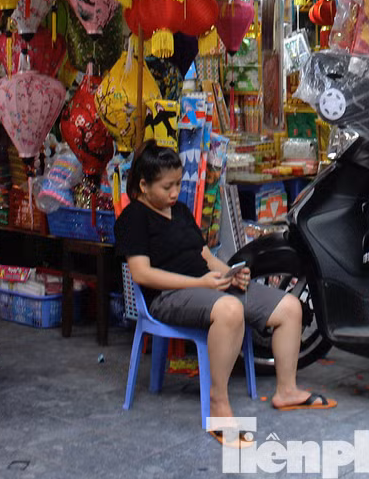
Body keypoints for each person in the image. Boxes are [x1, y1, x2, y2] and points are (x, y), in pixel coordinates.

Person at [115, 145, 334, 445]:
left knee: (289, 307)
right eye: (167, 186)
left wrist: (231, 272)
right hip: (168, 297)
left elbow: (204, 254)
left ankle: (287, 391)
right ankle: (219, 406)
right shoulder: (134, 217)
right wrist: (201, 284)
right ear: (143, 185)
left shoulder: (178, 211)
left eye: (178, 184)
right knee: (229, 310)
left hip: (209, 286)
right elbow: (141, 273)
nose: (174, 192)